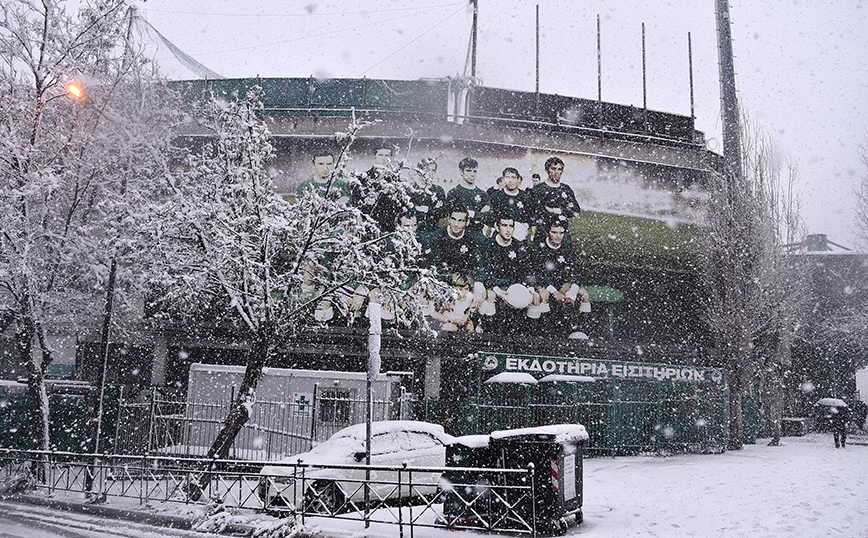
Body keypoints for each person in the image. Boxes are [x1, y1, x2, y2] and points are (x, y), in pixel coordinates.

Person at [528, 216, 590, 337]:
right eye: (554, 232)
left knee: (584, 295)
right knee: (544, 296)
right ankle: (544, 333)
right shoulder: (540, 248)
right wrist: (554, 291)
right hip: (545, 284)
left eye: (561, 233)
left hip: (562, 284)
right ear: (547, 232)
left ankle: (582, 332)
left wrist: (572, 290)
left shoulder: (566, 248)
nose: (558, 236)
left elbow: (575, 272)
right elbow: (538, 274)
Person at [480, 214, 537, 334]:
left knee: (535, 297)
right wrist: (499, 291)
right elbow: (486, 273)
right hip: (496, 286)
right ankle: (489, 334)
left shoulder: (519, 246)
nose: (508, 229)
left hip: (514, 285)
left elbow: (527, 269)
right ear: (497, 227)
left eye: (511, 226)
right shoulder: (488, 245)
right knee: (490, 296)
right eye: (504, 225)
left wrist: (530, 288)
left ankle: (531, 337)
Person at [352, 146, 407, 233]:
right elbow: (357, 202)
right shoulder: (365, 178)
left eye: (387, 155)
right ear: (375, 156)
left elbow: (402, 205)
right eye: (381, 155)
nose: (384, 158)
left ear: (391, 158)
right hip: (369, 226)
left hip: (390, 227)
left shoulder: (396, 181)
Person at [530, 156, 581, 232]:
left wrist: (553, 210)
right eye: (553, 168)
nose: (556, 172)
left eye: (559, 169)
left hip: (563, 231)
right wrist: (565, 211)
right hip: (544, 230)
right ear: (546, 170)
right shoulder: (538, 189)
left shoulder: (566, 189)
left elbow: (576, 211)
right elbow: (539, 211)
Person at [444, 157, 491, 233]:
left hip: (477, 233)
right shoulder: (454, 192)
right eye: (468, 171)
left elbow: (490, 216)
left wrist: (472, 214)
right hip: (460, 234)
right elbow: (456, 216)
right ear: (461, 172)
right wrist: (479, 214)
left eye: (474, 171)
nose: (472, 174)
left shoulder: (482, 194)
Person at [488, 167, 533, 240]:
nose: (510, 180)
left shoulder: (525, 197)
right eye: (507, 177)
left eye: (513, 177)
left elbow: (531, 215)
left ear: (518, 179)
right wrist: (497, 225)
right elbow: (488, 215)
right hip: (500, 236)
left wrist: (525, 225)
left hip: (519, 236)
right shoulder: (496, 196)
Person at [408, 158, 447, 233]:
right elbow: (410, 212)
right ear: (419, 172)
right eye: (427, 170)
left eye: (433, 170)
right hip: (414, 230)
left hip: (434, 230)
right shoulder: (412, 189)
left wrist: (423, 209)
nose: (430, 173)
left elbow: (444, 212)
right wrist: (433, 209)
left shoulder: (438, 190)